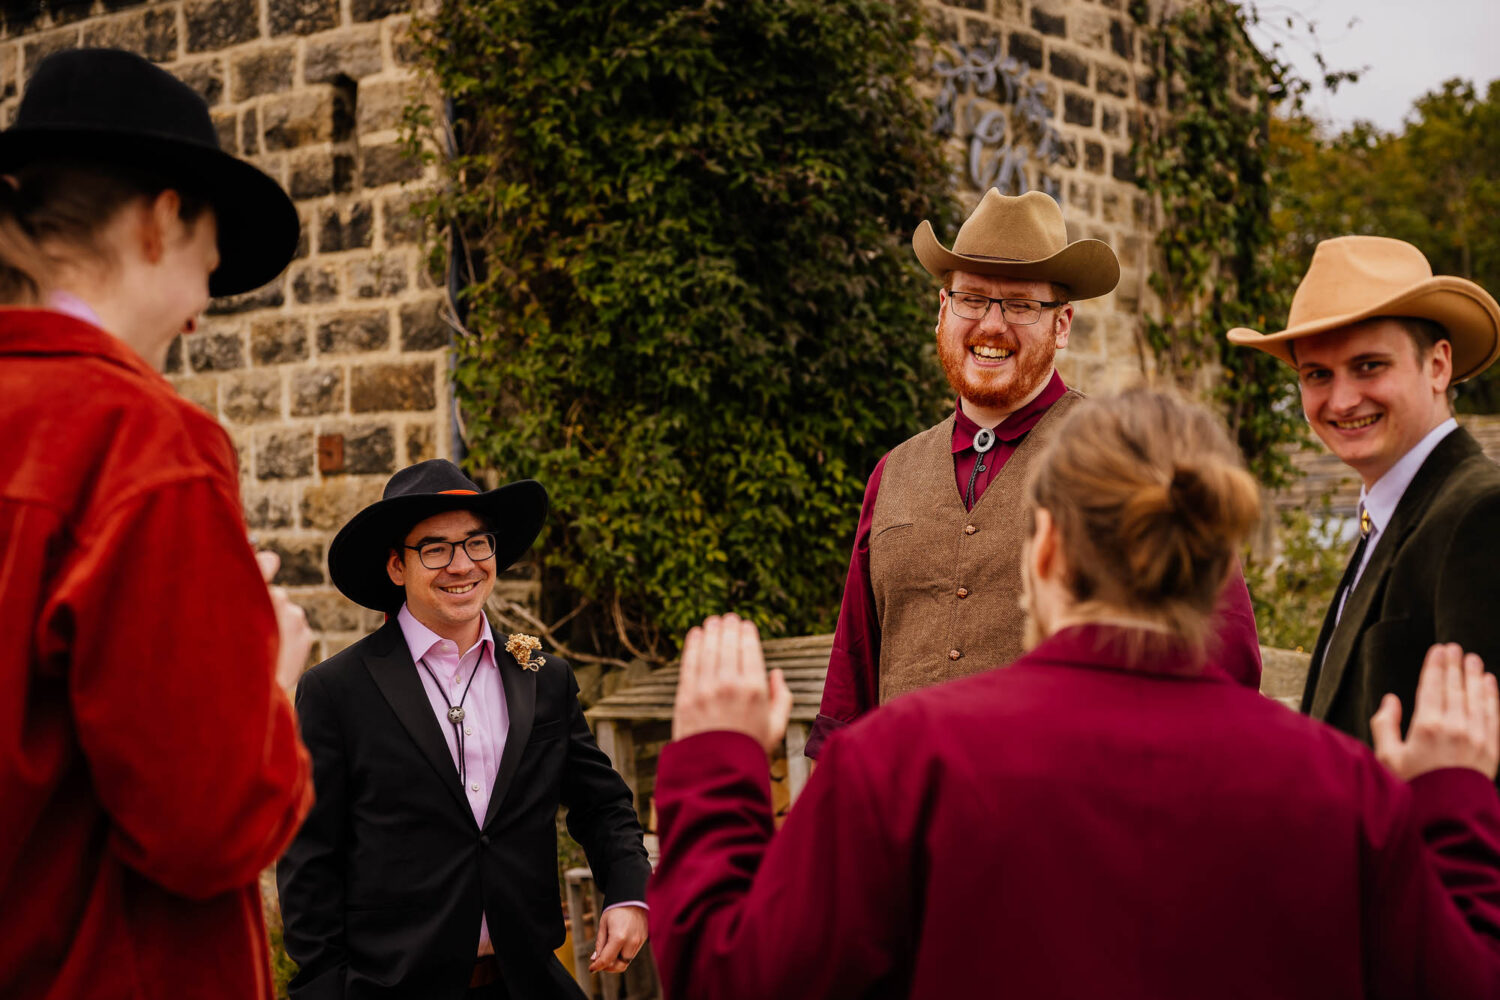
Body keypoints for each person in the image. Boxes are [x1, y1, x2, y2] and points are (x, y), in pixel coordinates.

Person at [650, 389, 1500, 999]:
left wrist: (716, 766)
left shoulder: (899, 766)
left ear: (1046, 545)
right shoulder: (1343, 790)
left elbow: (734, 974)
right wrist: (1454, 805)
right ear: (1215, 569)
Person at [0, 50, 313, 1000]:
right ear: (163, 217)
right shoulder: (144, 444)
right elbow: (209, 826)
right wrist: (269, 685)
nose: (206, 300)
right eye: (210, 253)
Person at [807, 189, 1261, 758]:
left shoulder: (1128, 455)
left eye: (1021, 305)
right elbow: (853, 682)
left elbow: (1226, 657)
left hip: (1065, 822)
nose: (992, 326)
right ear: (942, 310)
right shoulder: (892, 473)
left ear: (1062, 324)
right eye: (971, 299)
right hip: (909, 826)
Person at [277, 460, 651, 999]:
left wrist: (627, 896)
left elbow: (603, 806)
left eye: (478, 544)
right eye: (435, 549)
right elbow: (310, 862)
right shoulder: (337, 692)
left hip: (527, 982)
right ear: (396, 567)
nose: (462, 566)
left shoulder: (542, 678)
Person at [1228, 236, 1500, 747]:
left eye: (1369, 366)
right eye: (1317, 375)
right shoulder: (1393, 509)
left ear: (1438, 365)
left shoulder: (1480, 514)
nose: (1343, 400)